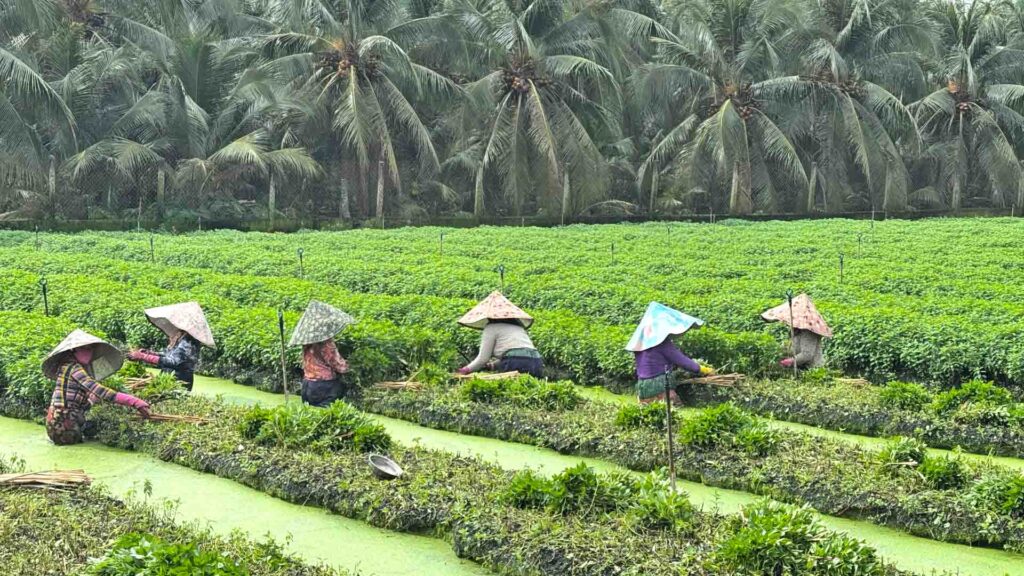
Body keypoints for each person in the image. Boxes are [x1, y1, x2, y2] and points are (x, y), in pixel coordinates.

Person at [42, 329, 150, 446]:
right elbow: (102, 391)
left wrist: (91, 401)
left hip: (55, 424)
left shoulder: (66, 366)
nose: (88, 352)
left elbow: (75, 404)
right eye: (84, 348)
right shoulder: (74, 368)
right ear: (74, 350)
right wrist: (134, 401)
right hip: (64, 428)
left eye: (90, 348)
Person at [626, 302, 714, 404]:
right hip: (659, 386)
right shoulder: (662, 344)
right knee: (674, 409)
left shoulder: (641, 342)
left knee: (649, 413)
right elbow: (682, 361)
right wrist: (702, 369)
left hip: (643, 387)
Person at [127, 302, 215, 392]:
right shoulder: (180, 336)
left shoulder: (189, 340)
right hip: (167, 377)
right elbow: (169, 355)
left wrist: (144, 357)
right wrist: (149, 353)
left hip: (179, 380)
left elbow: (174, 362)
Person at [456, 291, 543, 378]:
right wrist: (492, 365)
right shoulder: (518, 327)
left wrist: (465, 370)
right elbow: (519, 353)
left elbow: (483, 359)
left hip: (516, 362)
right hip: (536, 361)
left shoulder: (491, 327)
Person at [289, 300, 355, 407]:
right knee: (327, 415)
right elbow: (338, 364)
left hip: (307, 386)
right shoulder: (326, 343)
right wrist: (351, 367)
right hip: (324, 387)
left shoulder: (307, 340)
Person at [761, 293, 832, 369]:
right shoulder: (796, 329)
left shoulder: (809, 331)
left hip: (813, 370)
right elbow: (793, 347)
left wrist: (790, 361)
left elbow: (807, 355)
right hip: (799, 368)